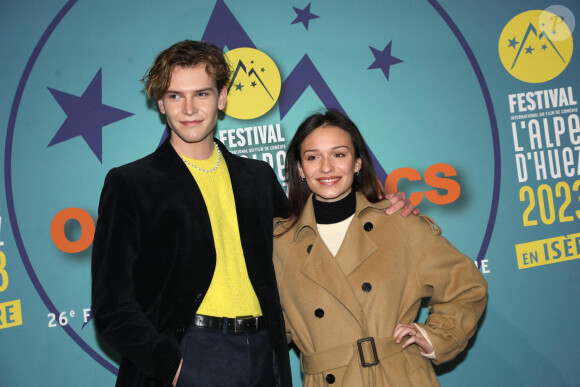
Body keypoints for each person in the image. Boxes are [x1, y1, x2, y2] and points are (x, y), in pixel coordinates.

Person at [91, 41, 416, 387]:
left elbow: (309, 237)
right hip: (190, 353)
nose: (188, 109)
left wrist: (379, 212)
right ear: (160, 103)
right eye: (175, 96)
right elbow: (112, 305)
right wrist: (170, 364)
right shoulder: (131, 183)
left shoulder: (257, 177)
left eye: (201, 94)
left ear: (222, 97)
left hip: (264, 352)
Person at [273, 109, 488, 386]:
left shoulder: (398, 224)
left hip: (397, 376)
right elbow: (269, 329)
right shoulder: (280, 243)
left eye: (339, 154)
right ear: (300, 169)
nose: (326, 167)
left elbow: (466, 286)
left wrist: (436, 336)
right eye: (313, 157)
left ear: (357, 162)